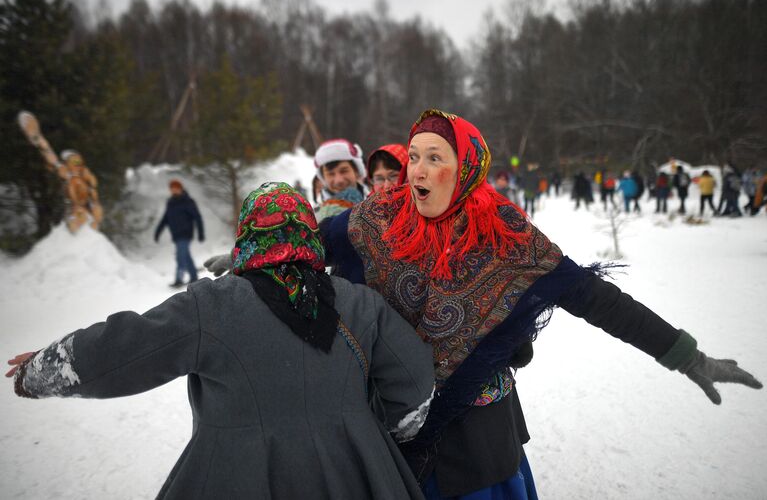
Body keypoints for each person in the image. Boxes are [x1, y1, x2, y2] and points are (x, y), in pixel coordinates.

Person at [205, 109, 762, 499]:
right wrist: (253, 262)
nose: (417, 171)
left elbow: (596, 298)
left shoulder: (509, 238)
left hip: (478, 436)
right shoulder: (378, 218)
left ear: (467, 166)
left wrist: (686, 354)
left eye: (435, 158)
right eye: (414, 157)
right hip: (389, 421)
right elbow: (307, 246)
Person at [7, 183, 435, 500]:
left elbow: (126, 349)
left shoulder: (210, 306)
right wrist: (379, 433)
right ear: (308, 233)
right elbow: (414, 385)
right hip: (357, 472)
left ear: (247, 236)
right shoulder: (360, 303)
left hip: (236, 473)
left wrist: (45, 368)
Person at [155, 180, 204, 287]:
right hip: (176, 235)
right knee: (186, 256)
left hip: (185, 233)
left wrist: (201, 233)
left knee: (180, 256)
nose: (174, 190)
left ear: (181, 188)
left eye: (176, 188)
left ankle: (179, 279)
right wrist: (158, 232)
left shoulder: (188, 201)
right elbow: (165, 219)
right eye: (172, 188)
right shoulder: (170, 203)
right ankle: (194, 277)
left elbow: (197, 217)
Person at [313, 139, 369, 222]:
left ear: (356, 171)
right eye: (331, 174)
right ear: (323, 178)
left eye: (344, 171)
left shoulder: (376, 207)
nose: (339, 180)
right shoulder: (313, 219)